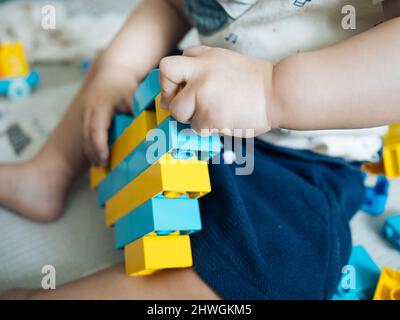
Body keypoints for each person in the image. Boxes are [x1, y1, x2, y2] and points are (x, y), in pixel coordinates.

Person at [2, 0, 400, 299]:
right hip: (194, 95)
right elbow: (172, 6)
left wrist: (270, 91)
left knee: (273, 272)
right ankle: (49, 171)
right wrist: (117, 70)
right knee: (120, 83)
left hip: (302, 153)